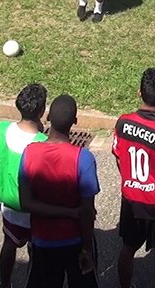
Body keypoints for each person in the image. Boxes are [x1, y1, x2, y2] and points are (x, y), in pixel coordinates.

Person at [19, 94, 100, 288]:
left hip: (42, 242)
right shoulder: (84, 159)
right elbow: (86, 212)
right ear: (75, 122)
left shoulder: (29, 153)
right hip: (75, 241)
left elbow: (26, 203)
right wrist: (87, 249)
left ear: (47, 117)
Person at [113, 68, 155, 288]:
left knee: (128, 246)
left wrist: (129, 180)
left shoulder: (122, 123)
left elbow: (118, 156)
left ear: (138, 92)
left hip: (131, 197)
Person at [0, 83, 49, 288]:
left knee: (9, 244)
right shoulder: (43, 143)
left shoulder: (1, 129)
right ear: (42, 111)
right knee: (37, 250)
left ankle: (4, 283)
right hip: (33, 210)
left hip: (8, 206)